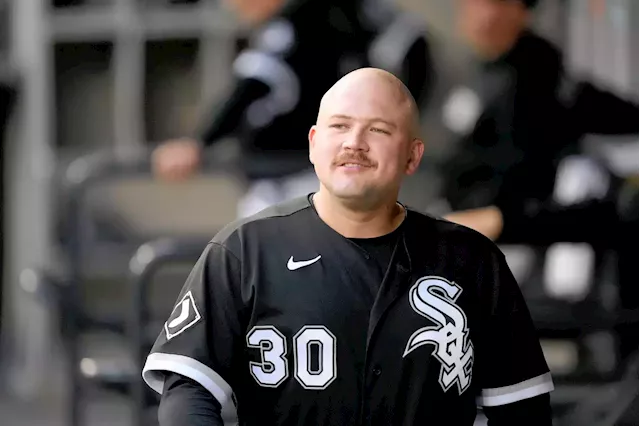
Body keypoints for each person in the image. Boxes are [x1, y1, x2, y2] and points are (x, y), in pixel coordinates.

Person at [142, 68, 554, 426]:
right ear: (314, 143)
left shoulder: (472, 261)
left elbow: (522, 409)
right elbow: (188, 387)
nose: (355, 142)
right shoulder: (244, 250)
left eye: (378, 129)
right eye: (340, 126)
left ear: (412, 156)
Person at [152, 0, 434, 217]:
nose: (232, 5)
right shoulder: (335, 18)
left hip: (299, 178)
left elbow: (252, 87)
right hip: (316, 174)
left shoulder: (293, 26)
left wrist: (198, 143)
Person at [440, 0, 638, 243]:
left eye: (488, 3)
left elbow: (526, 174)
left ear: (518, 12)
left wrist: (496, 221)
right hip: (463, 220)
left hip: (520, 238)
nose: (469, 8)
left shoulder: (536, 76)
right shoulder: (476, 72)